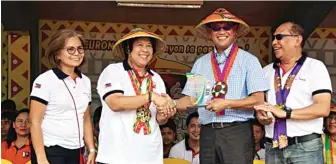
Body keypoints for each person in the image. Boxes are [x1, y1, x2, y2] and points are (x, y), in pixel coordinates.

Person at [173, 8, 268, 164]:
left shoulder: (249, 60)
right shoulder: (201, 63)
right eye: (216, 28)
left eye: (227, 27)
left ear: (235, 31)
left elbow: (258, 100)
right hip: (208, 131)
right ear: (210, 33)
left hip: (236, 131)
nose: (221, 31)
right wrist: (170, 103)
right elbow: (191, 99)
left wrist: (227, 103)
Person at [95, 28, 176, 164]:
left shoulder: (156, 78)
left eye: (149, 46)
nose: (145, 50)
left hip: (150, 156)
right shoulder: (114, 71)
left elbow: (159, 120)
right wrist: (150, 96)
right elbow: (115, 103)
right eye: (140, 45)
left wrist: (165, 113)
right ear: (128, 49)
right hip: (116, 156)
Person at [255, 22, 332, 164]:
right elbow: (261, 106)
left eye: (279, 37)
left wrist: (287, 113)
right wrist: (262, 117)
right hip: (273, 147)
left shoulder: (315, 67)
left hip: (305, 147)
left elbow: (323, 108)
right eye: (273, 38)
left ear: (298, 40)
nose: (274, 43)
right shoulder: (266, 71)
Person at [29, 29, 96, 164]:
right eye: (70, 49)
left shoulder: (85, 81)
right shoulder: (45, 80)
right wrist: (41, 158)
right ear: (58, 54)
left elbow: (86, 119)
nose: (77, 54)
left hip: (77, 150)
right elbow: (34, 122)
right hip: (51, 150)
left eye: (80, 49)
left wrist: (92, 149)